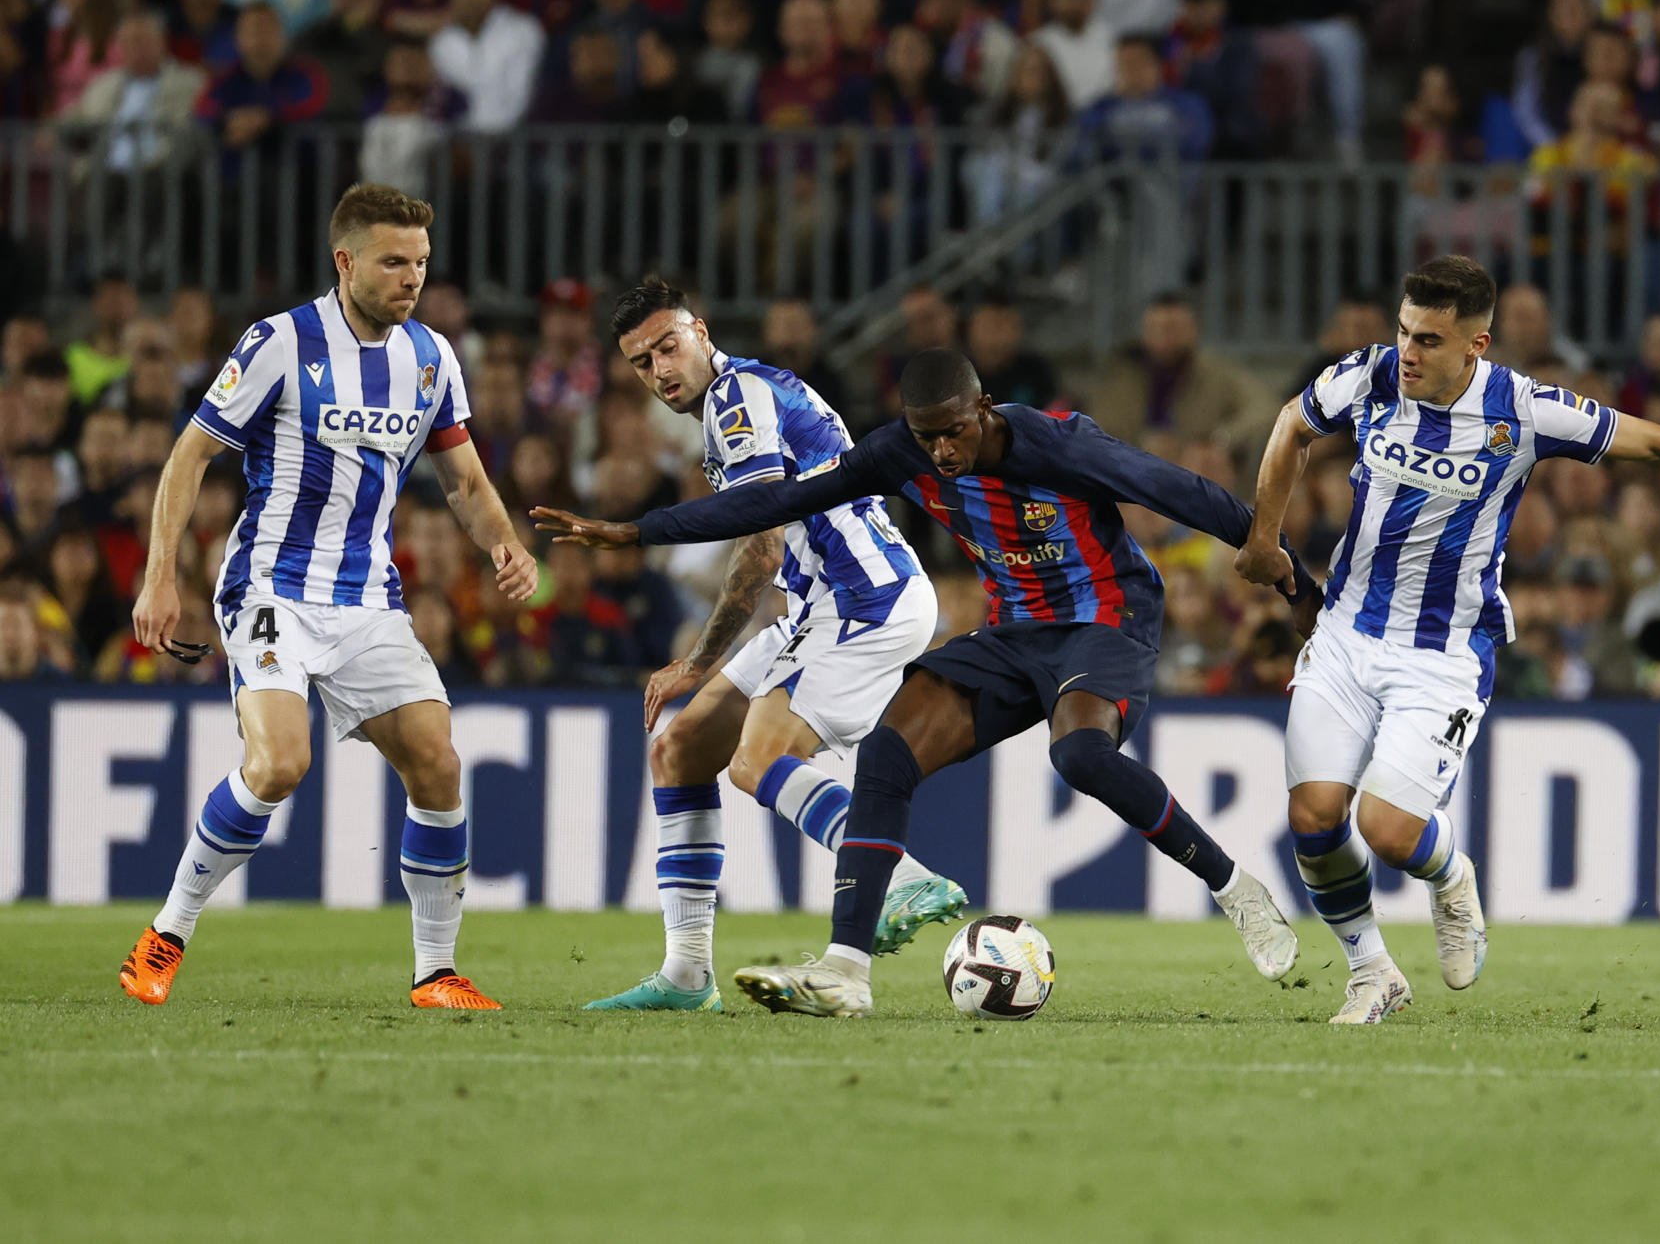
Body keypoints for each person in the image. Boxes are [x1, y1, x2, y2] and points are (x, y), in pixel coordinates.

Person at [537, 348, 1318, 1018]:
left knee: (1079, 756)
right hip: (1012, 628)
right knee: (886, 753)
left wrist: (1287, 574)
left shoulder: (1055, 443)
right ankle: (845, 970)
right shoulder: (898, 452)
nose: (942, 450)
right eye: (928, 436)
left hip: (1105, 618)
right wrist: (638, 531)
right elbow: (779, 499)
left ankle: (1234, 885)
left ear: (983, 408)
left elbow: (1174, 488)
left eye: (955, 431)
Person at [1233, 255, 1660, 1024]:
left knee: (1387, 829)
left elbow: (1655, 442)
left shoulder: (1523, 411)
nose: (1409, 352)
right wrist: (1266, 537)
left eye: (1428, 338)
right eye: (1402, 332)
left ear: (1477, 345)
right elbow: (1292, 423)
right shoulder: (1368, 376)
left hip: (1444, 652)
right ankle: (1372, 972)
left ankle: (1450, 873)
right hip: (1345, 634)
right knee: (1313, 818)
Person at [116, 184, 539, 1011]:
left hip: (367, 599)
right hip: (272, 584)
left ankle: (435, 969)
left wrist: (503, 540)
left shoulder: (431, 358)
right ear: (345, 261)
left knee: (439, 762)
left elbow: (464, 478)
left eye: (420, 261)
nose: (411, 276)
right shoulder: (279, 343)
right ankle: (166, 931)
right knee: (279, 762)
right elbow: (189, 457)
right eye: (393, 261)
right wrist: (161, 573)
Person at [535, 277, 962, 1014]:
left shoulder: (739, 400)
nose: (661, 370)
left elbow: (761, 545)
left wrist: (696, 659)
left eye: (669, 346)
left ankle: (904, 876)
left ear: (702, 331)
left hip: (867, 598)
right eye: (641, 362)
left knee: (758, 759)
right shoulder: (742, 400)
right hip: (822, 602)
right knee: (682, 750)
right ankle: (686, 973)